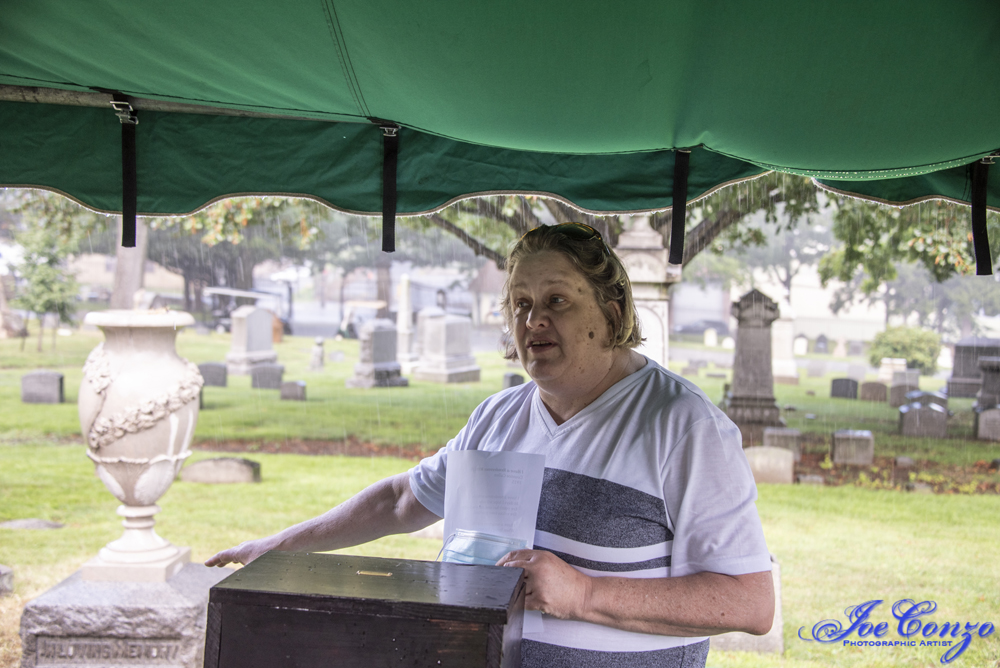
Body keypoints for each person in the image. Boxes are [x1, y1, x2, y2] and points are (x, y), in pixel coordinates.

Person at [207, 222, 774, 668]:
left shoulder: (683, 425)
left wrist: (583, 594)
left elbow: (750, 603)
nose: (533, 321)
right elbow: (401, 502)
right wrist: (278, 548)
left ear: (613, 312)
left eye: (557, 300)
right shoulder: (497, 418)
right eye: (521, 304)